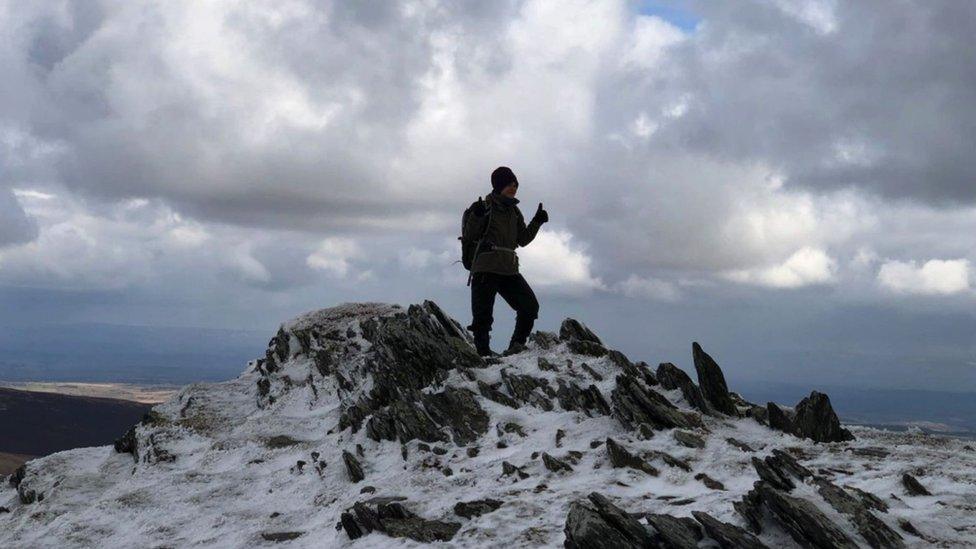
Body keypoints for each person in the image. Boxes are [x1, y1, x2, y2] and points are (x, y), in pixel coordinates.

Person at [464, 166, 548, 356]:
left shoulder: (514, 212)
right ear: (499, 185)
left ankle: (516, 347)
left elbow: (522, 239)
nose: (514, 187)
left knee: (529, 306)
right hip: (486, 267)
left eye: (516, 184)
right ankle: (483, 354)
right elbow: (470, 235)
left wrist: (537, 221)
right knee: (483, 317)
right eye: (510, 184)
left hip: (508, 269)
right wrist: (476, 217)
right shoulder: (484, 207)